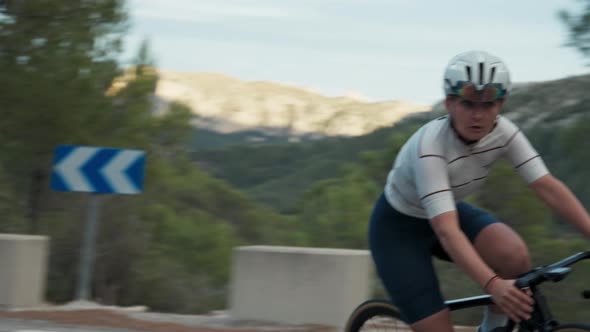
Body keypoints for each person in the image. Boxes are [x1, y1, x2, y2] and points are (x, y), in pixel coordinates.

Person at [369, 50, 590, 332]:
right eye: (467, 104)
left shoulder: (505, 133)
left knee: (514, 255)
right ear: (450, 103)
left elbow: (547, 187)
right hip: (398, 230)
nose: (478, 115)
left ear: (501, 105)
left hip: (448, 210)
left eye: (488, 105)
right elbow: (447, 231)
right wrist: (493, 284)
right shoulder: (430, 147)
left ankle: (491, 329)